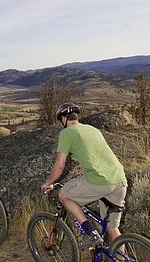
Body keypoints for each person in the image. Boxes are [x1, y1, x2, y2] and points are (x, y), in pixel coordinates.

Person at [42, 103, 127, 247]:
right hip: (120, 179)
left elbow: (60, 165)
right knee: (113, 228)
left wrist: (48, 183)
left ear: (63, 118)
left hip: (100, 181)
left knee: (63, 195)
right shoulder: (93, 130)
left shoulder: (67, 132)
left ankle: (89, 232)